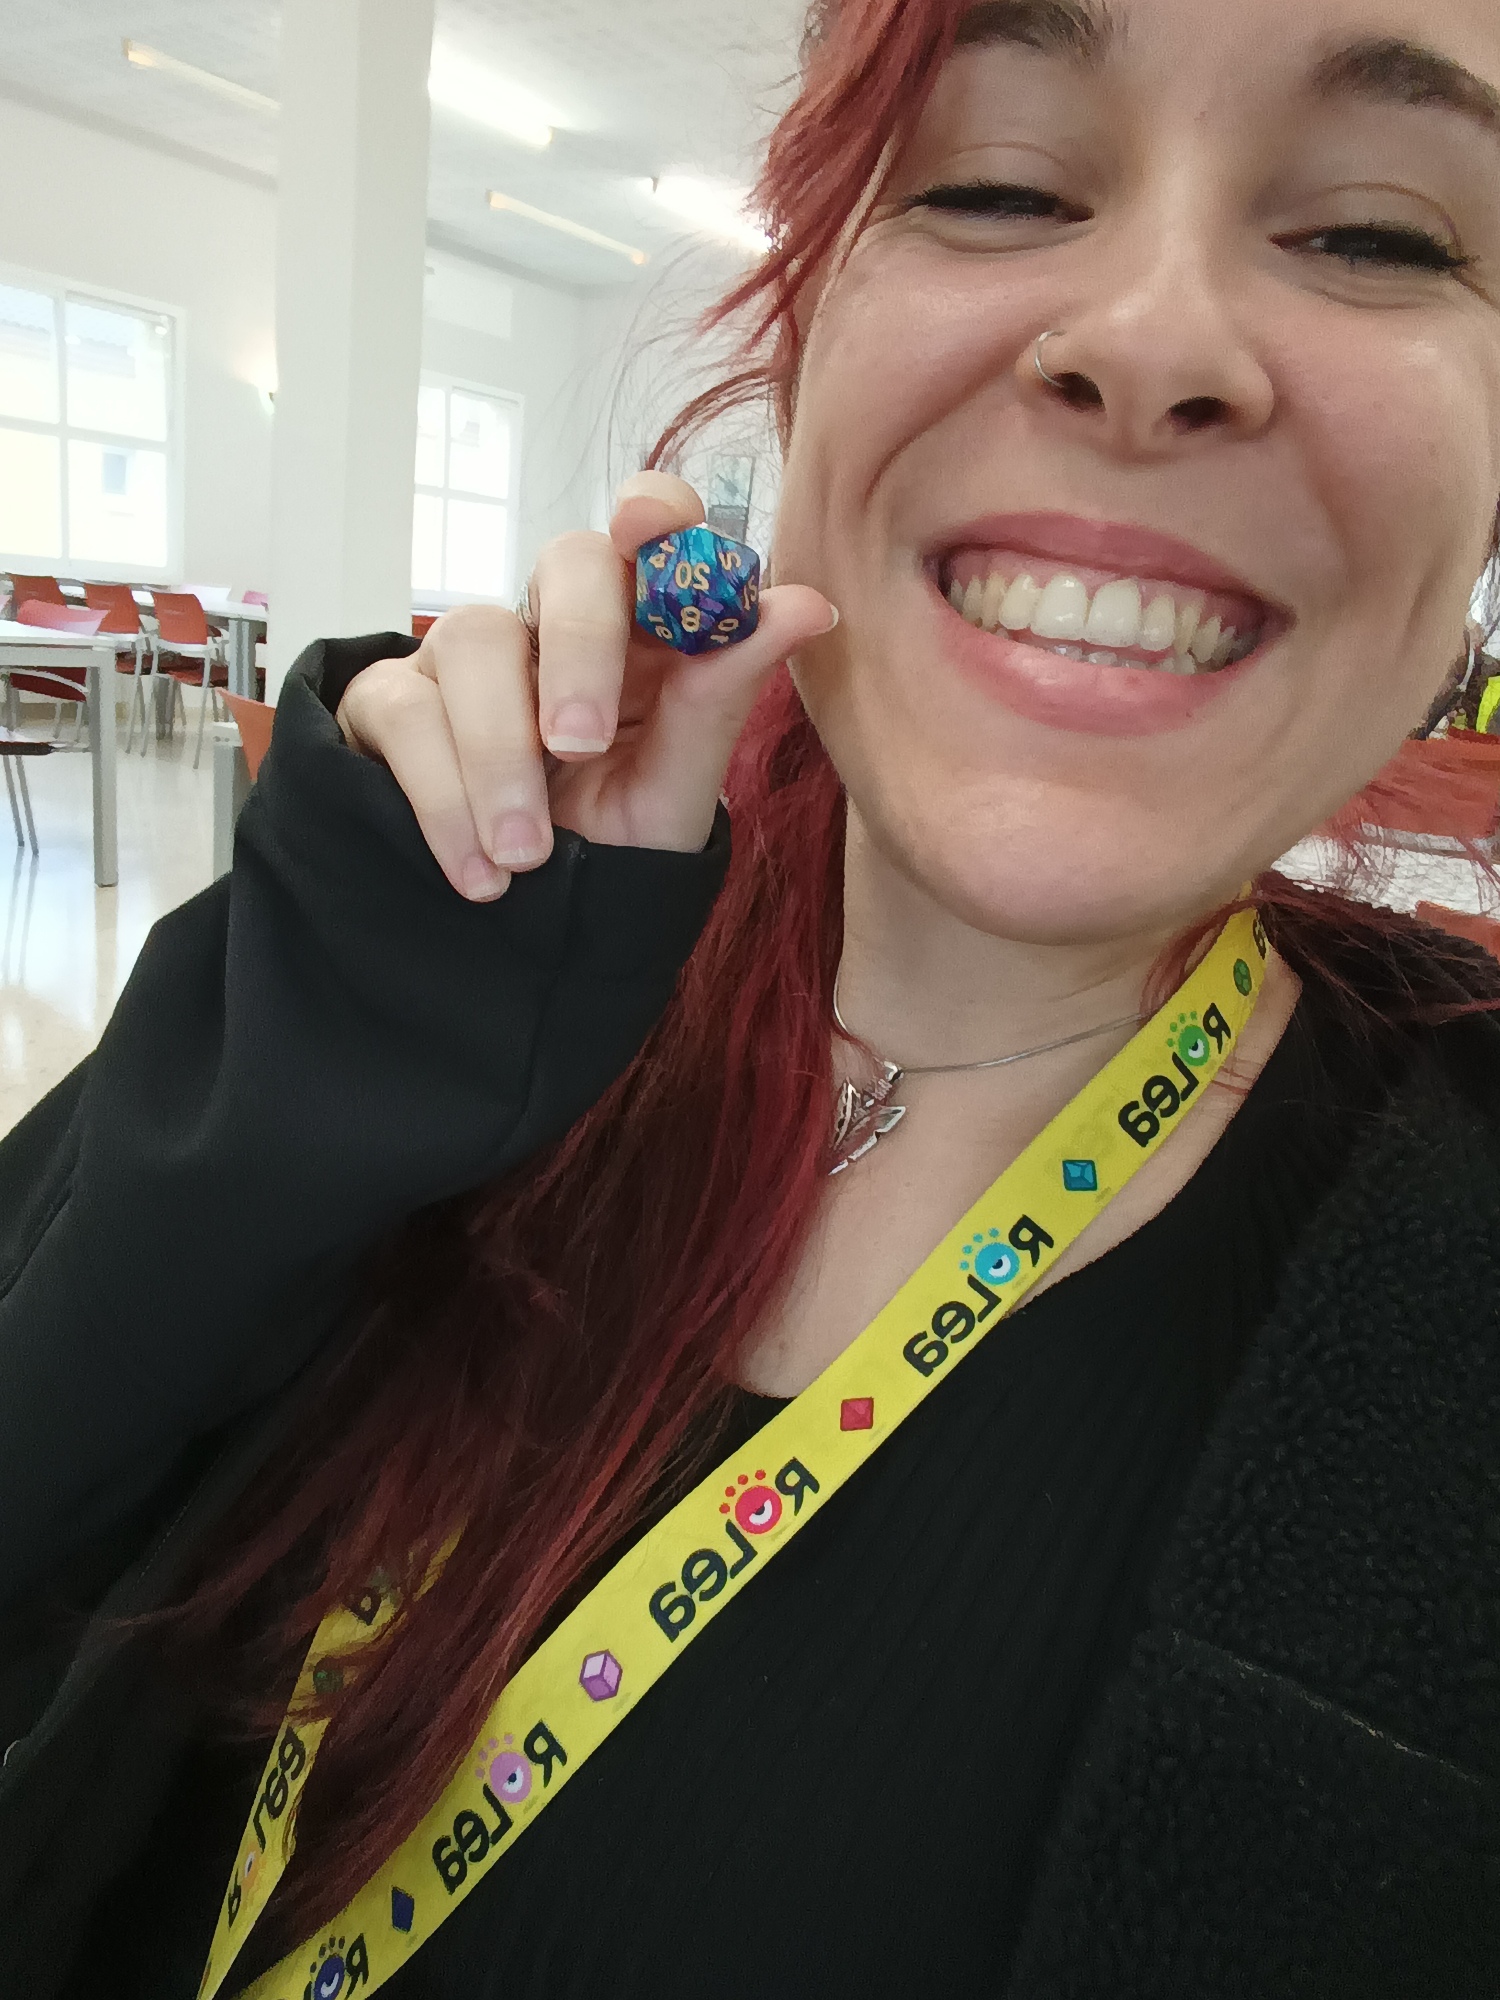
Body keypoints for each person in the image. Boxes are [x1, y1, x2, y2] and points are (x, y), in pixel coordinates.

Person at [3, 0, 1499, 1995]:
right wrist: (302, 1067)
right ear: (799, 341)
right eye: (998, 184)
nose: (1151, 341)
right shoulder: (459, 953)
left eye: (1380, 233)